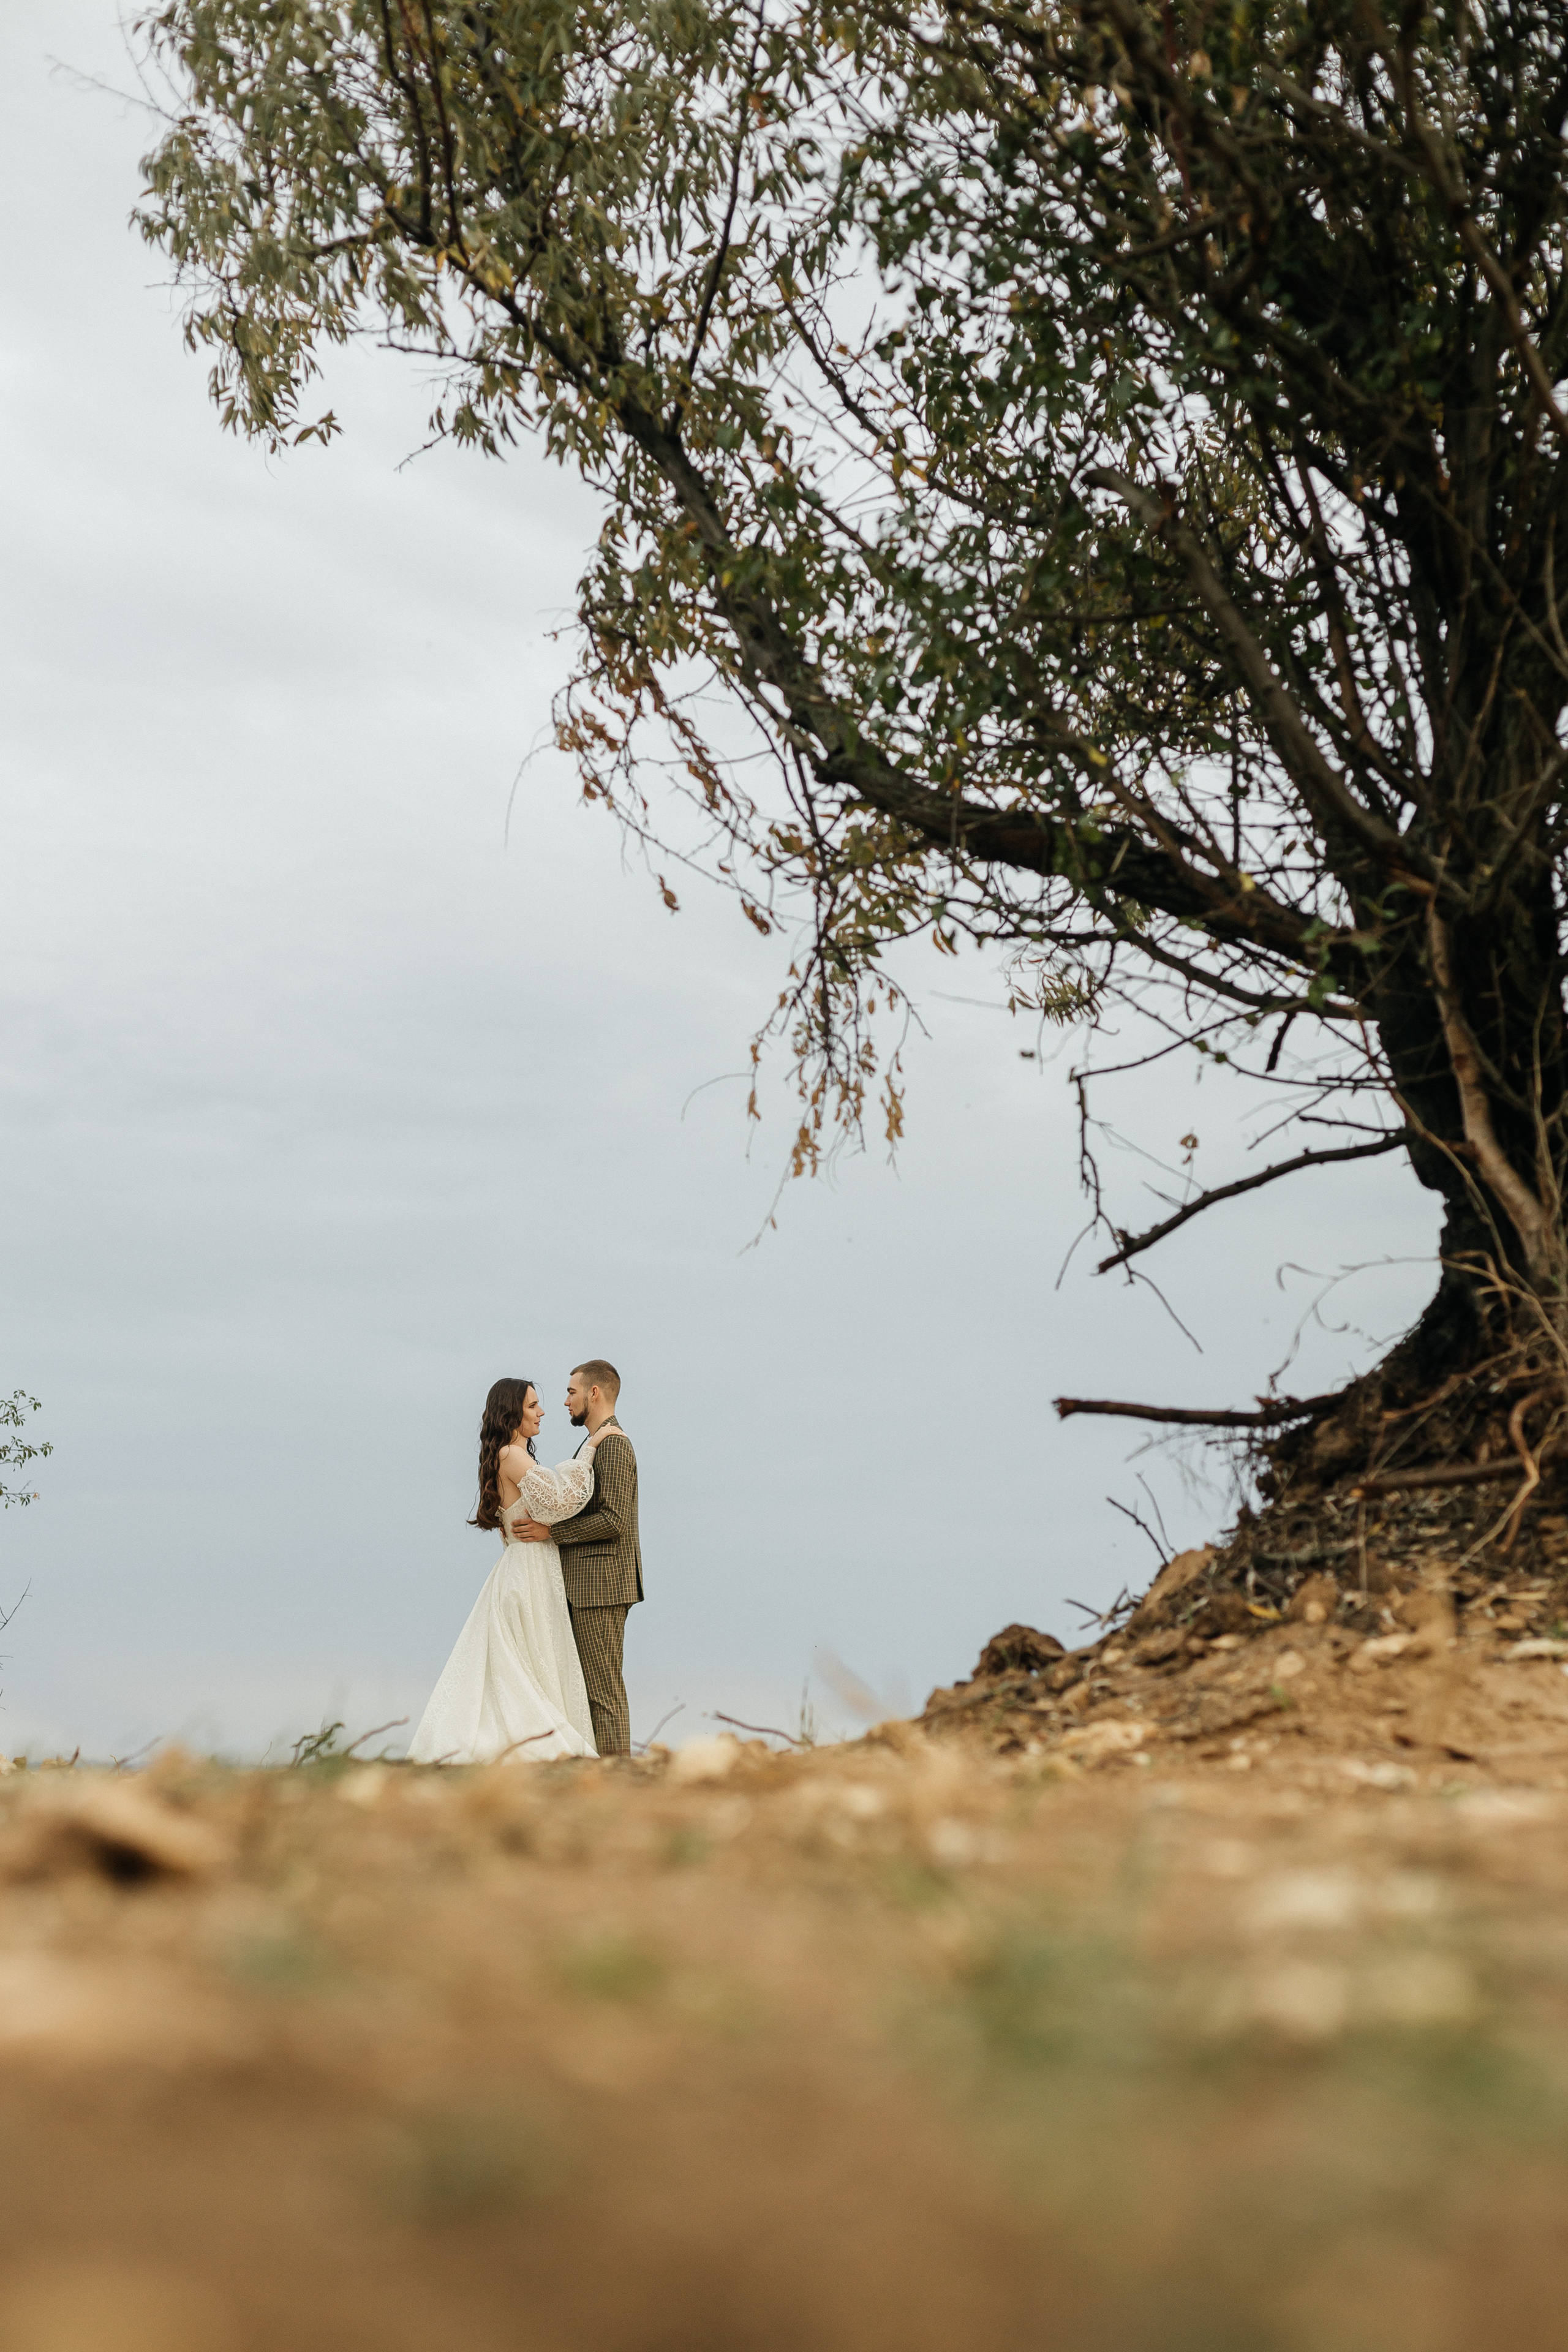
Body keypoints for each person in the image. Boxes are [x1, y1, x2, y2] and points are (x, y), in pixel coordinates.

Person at [407, 1376, 616, 1764]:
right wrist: (590, 1449)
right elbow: (561, 1500)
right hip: (529, 1571)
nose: (542, 1412)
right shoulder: (511, 1455)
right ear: (511, 1412)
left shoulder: (511, 1456)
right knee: (532, 1660)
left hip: (530, 1566)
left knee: (532, 1661)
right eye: (533, 1406)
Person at [511, 1360, 641, 1757]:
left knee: (603, 1692)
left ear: (594, 1393)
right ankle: (602, 1773)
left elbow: (615, 1520)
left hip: (601, 1587)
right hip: (587, 1586)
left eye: (571, 1392)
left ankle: (618, 1775)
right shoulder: (596, 1443)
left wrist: (551, 1532)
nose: (565, 1401)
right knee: (587, 1692)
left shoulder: (614, 1445)